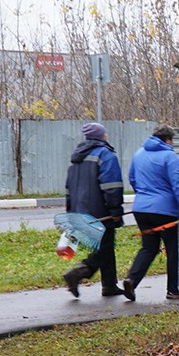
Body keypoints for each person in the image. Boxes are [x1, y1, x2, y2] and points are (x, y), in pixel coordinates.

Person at [122, 124, 179, 302]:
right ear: (168, 139)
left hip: (141, 209)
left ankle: (132, 280)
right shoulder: (170, 156)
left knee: (149, 248)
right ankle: (174, 289)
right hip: (166, 211)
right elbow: (178, 185)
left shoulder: (139, 154)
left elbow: (132, 179)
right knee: (174, 250)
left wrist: (144, 197)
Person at [62, 122, 125, 298]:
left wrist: (71, 211)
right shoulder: (105, 155)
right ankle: (79, 272)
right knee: (104, 248)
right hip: (100, 210)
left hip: (80, 211)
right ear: (102, 136)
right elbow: (112, 185)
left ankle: (109, 285)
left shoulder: (77, 158)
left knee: (106, 246)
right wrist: (115, 209)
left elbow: (68, 188)